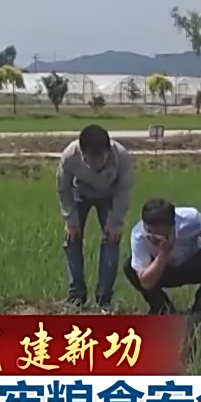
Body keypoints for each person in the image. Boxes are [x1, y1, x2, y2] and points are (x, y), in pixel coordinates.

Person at [56, 124, 135, 308]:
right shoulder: (70, 156)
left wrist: (115, 221)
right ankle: (76, 296)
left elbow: (124, 191)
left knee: (112, 240)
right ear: (81, 152)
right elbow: (63, 189)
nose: (93, 165)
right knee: (71, 239)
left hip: (108, 195)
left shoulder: (121, 157)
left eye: (98, 159)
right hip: (79, 193)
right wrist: (70, 220)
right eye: (88, 159)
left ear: (108, 151)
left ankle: (104, 298)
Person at [124, 198, 201, 315]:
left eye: (158, 235)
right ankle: (162, 307)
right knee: (130, 266)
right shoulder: (138, 235)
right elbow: (146, 283)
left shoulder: (190, 218)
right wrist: (165, 253)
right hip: (163, 271)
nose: (151, 237)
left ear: (173, 225)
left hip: (191, 265)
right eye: (148, 231)